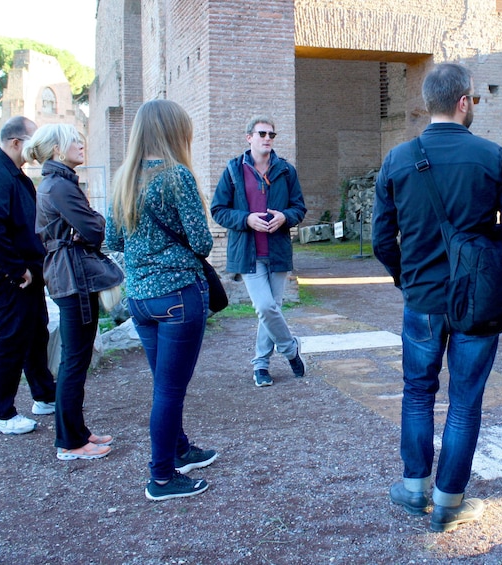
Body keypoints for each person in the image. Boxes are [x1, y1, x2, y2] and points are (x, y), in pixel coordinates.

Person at [372, 62, 502, 533]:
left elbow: (382, 239)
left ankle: (415, 487)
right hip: (476, 300)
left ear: (429, 102)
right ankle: (448, 501)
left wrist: (406, 277)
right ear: (464, 101)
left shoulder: (398, 159)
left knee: (417, 393)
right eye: (474, 99)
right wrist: (479, 246)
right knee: (465, 401)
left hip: (422, 298)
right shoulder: (491, 155)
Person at [105, 99, 218, 500]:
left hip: (138, 299)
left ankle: (180, 449)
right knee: (170, 390)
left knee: (164, 385)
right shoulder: (177, 177)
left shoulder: (123, 177)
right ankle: (162, 477)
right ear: (174, 132)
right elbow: (203, 242)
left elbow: (113, 241)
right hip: (176, 298)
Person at [30, 124, 121, 461]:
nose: (82, 145)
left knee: (75, 358)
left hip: (71, 275)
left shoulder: (58, 183)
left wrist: (85, 230)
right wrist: (85, 231)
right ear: (57, 149)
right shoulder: (60, 187)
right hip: (73, 279)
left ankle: (77, 432)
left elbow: (91, 226)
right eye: (74, 141)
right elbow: (97, 228)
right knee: (74, 360)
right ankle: (69, 442)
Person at [0, 116, 57, 435]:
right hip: (9, 275)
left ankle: (45, 396)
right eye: (33, 140)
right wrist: (14, 268)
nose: (37, 147)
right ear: (16, 142)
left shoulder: (14, 175)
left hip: (25, 272)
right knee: (11, 338)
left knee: (36, 333)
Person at [211, 116, 307, 387]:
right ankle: (291, 350)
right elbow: (218, 209)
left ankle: (261, 365)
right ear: (249, 137)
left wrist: (285, 217)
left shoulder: (286, 171)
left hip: (277, 251)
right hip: (247, 252)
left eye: (272, 135)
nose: (267, 138)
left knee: (271, 309)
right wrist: (246, 219)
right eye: (262, 133)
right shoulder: (233, 170)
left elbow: (299, 208)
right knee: (265, 306)